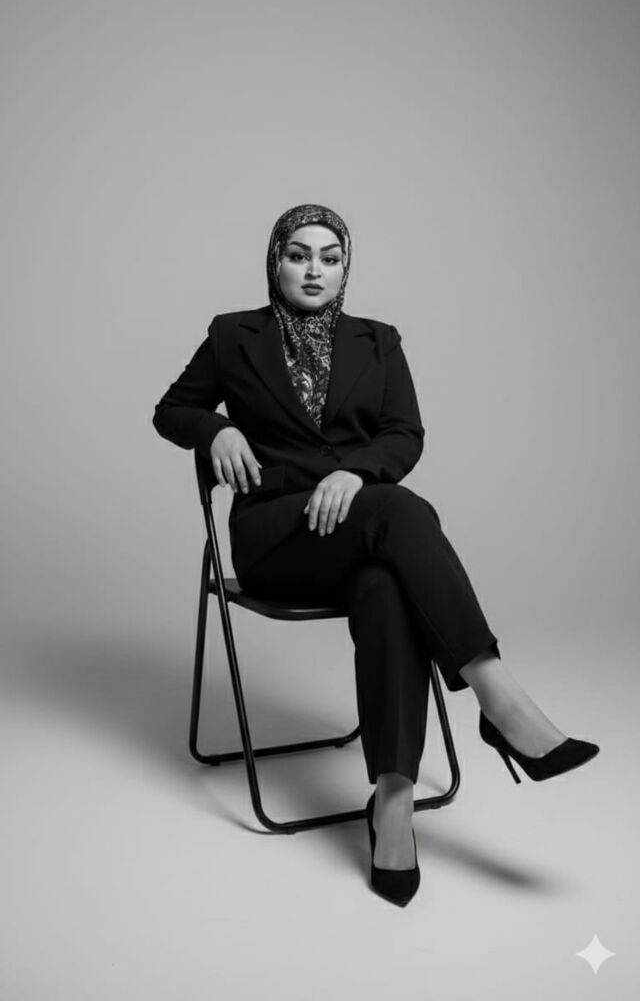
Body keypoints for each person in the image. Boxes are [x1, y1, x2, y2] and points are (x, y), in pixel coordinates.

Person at [152, 202, 599, 907]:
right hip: (277, 538)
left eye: (330, 258)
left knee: (387, 585)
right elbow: (170, 409)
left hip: (355, 528)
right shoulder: (233, 334)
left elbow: (404, 434)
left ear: (345, 269)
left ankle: (392, 800)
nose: (314, 269)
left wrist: (354, 473)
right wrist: (214, 430)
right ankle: (497, 697)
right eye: (298, 254)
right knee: (401, 509)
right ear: (274, 261)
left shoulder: (379, 341)